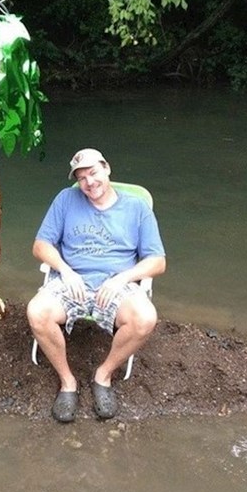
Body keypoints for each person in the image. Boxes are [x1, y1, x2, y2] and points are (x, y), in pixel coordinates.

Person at [26, 148, 166, 422]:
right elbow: (40, 246)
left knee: (146, 318)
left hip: (116, 285)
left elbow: (158, 261)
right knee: (36, 312)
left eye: (93, 173)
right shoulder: (66, 199)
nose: (89, 182)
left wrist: (123, 278)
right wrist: (65, 271)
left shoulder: (136, 208)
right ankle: (68, 382)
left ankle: (103, 376)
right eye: (81, 178)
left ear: (107, 168)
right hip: (71, 281)